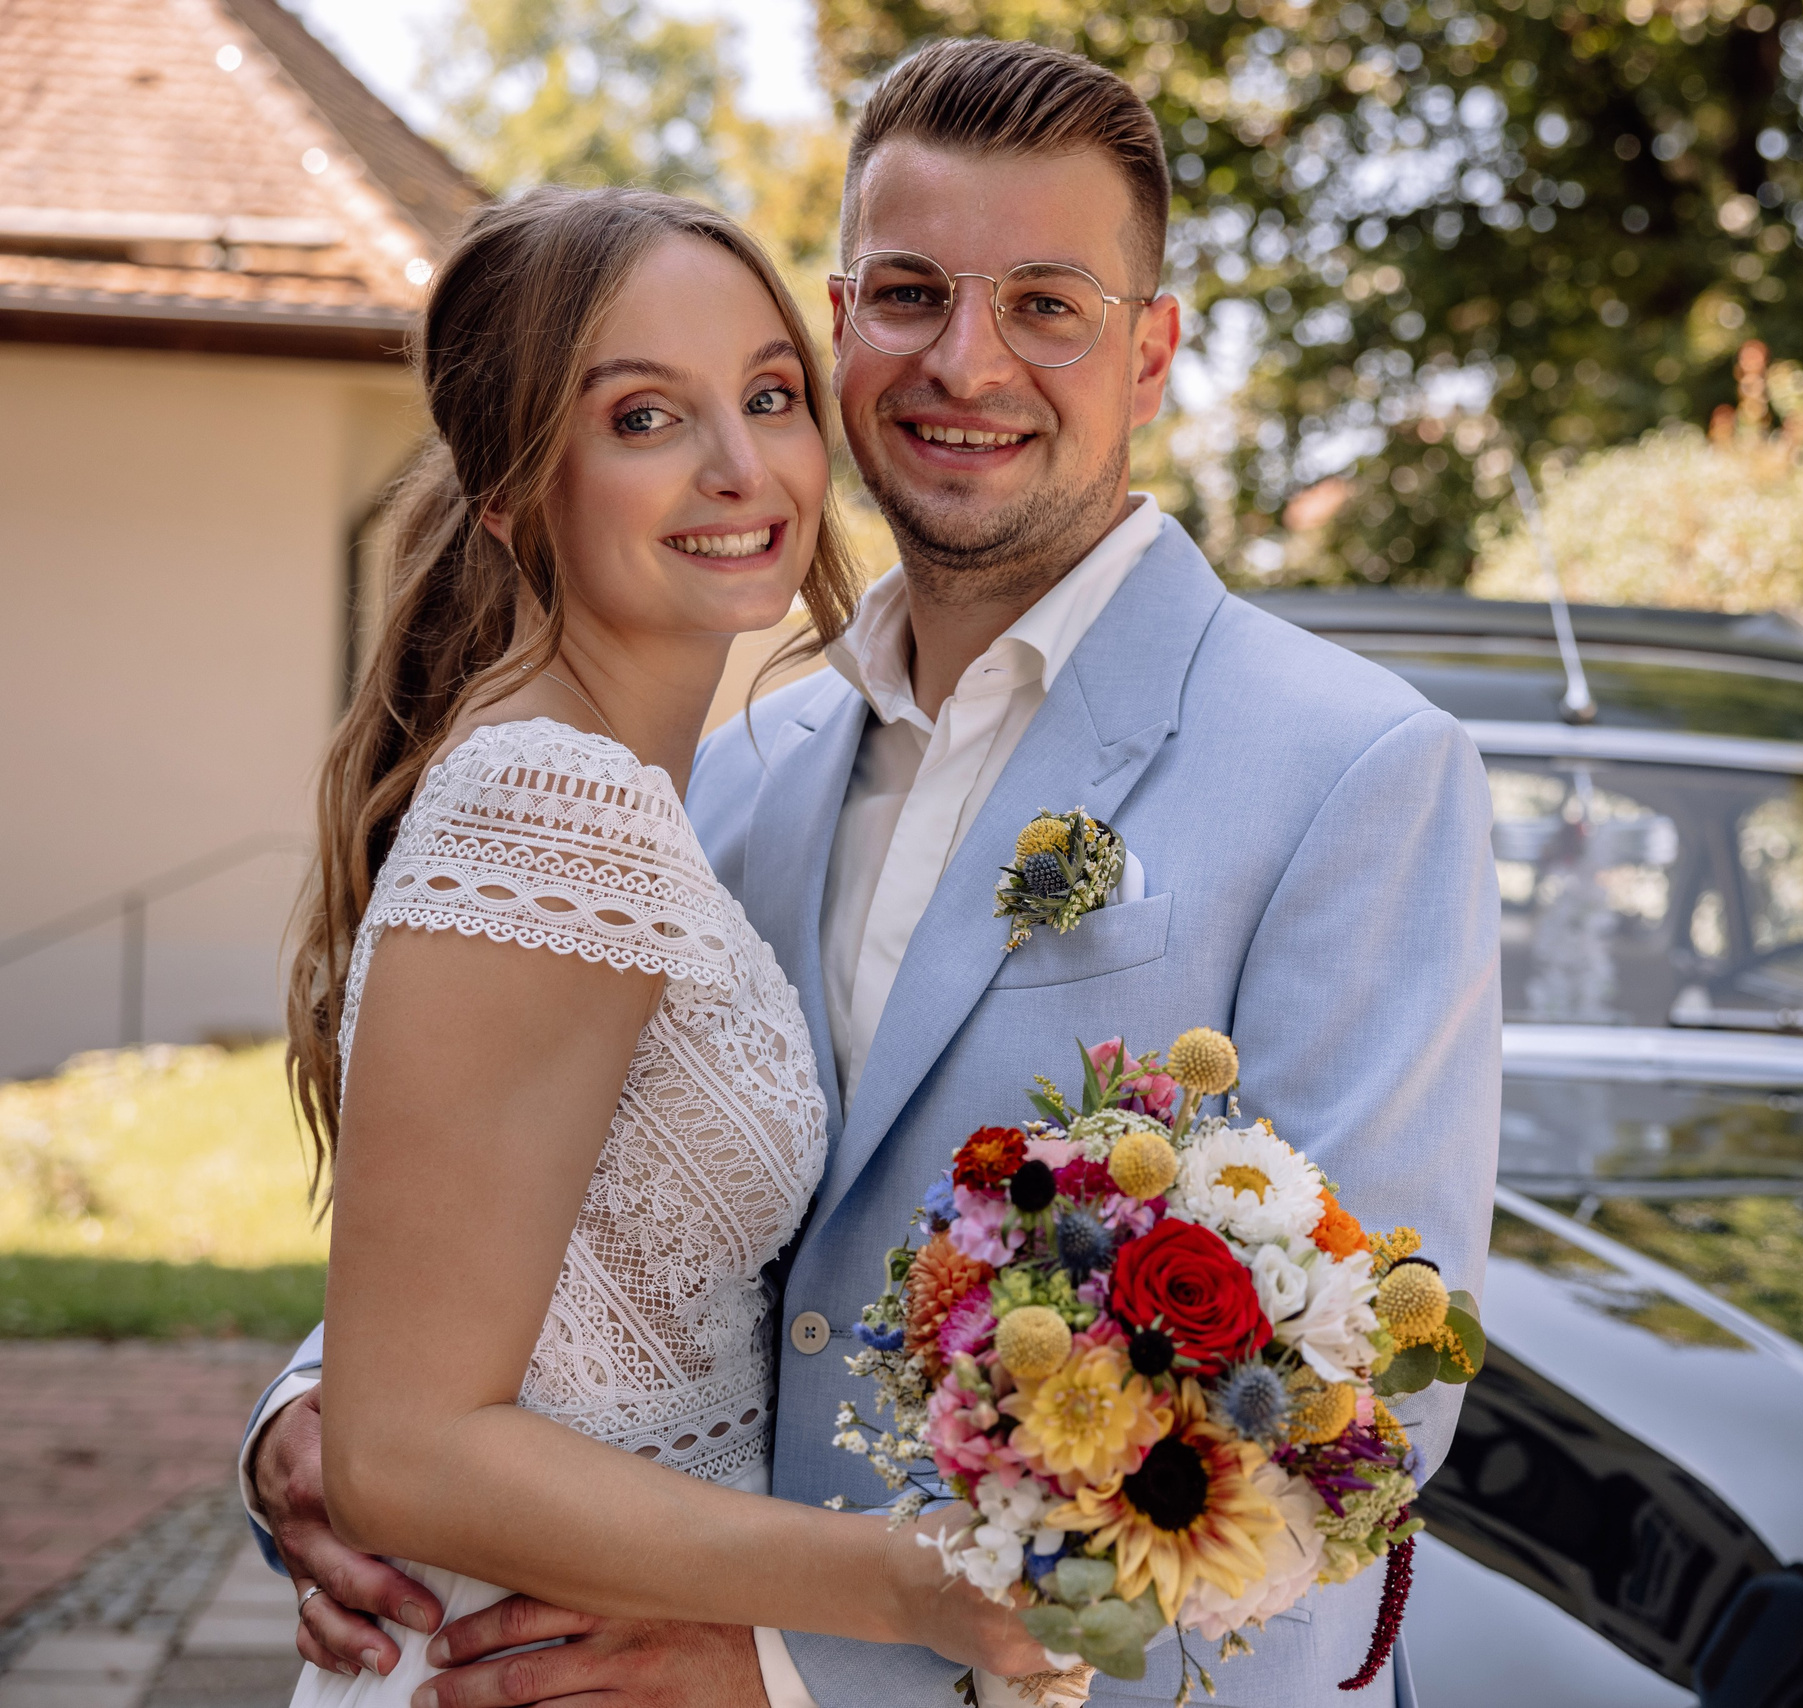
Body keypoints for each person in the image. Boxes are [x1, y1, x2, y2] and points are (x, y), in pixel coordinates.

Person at [247, 38, 1504, 1708]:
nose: (965, 362)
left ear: (1154, 355)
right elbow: (554, 1181)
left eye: (1047, 304)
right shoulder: (732, 771)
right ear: (842, 330)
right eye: (911, 293)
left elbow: (1355, 1424)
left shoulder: (1354, 768)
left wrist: (802, 1669)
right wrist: (314, 1417)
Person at [261, 183, 1048, 1708]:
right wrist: (913, 1586)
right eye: (644, 419)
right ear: (511, 489)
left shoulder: (657, 786)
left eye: (767, 396)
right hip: (523, 1663)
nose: (741, 467)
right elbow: (403, 1446)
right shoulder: (552, 804)